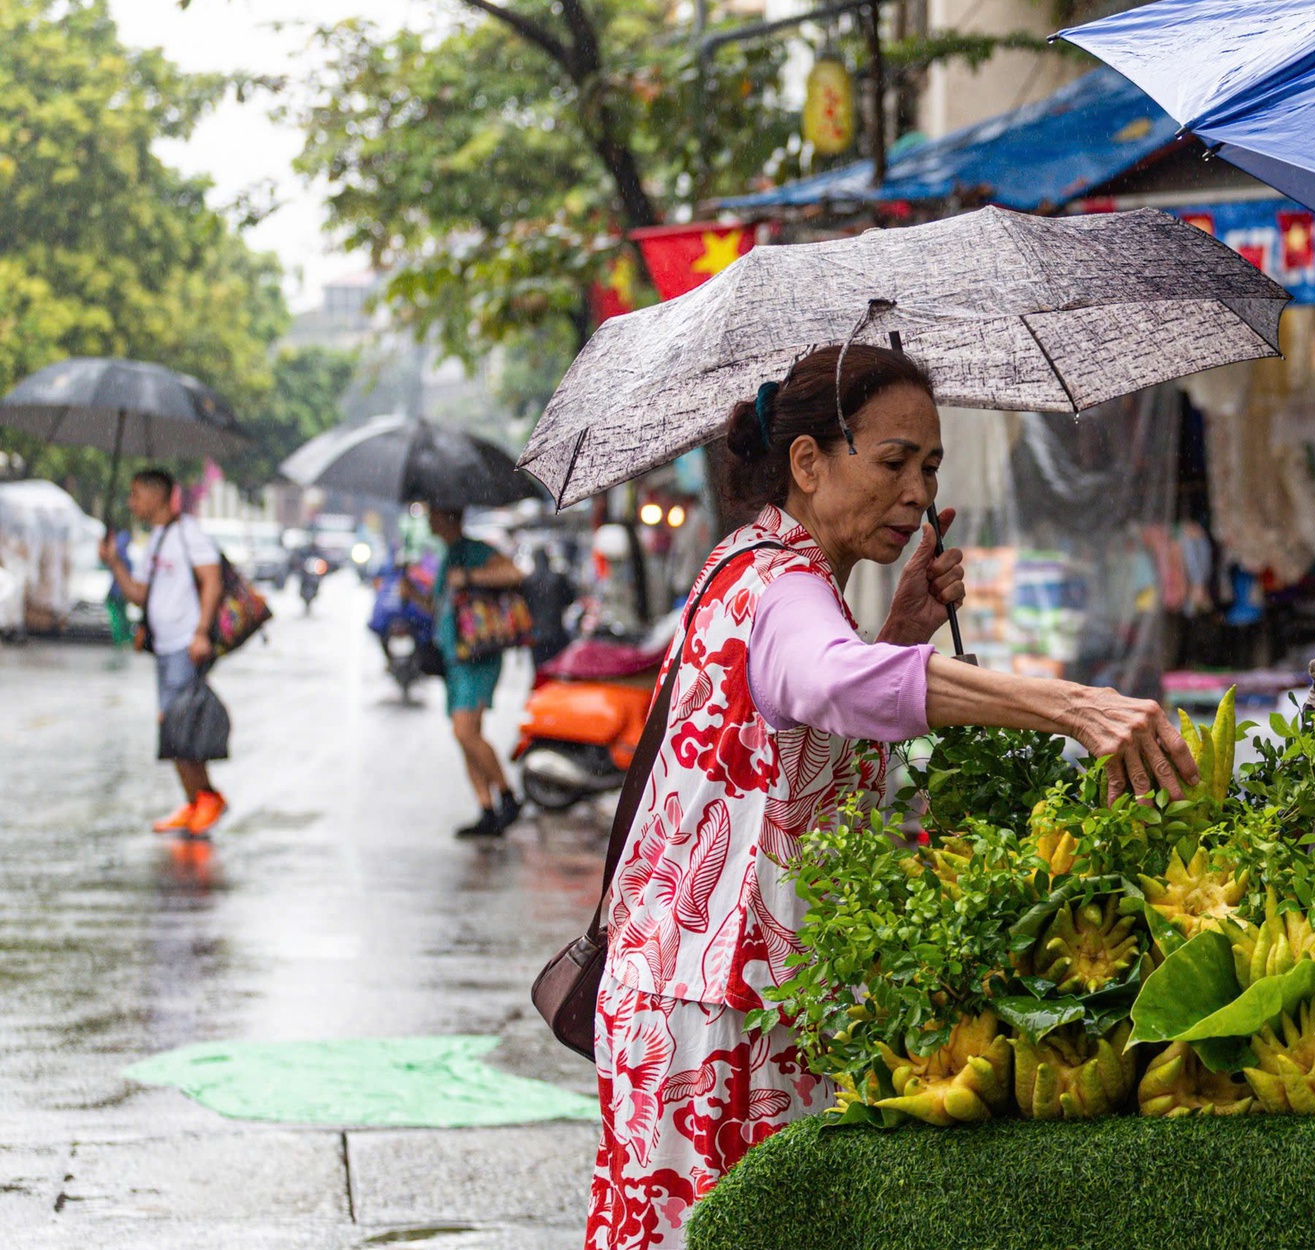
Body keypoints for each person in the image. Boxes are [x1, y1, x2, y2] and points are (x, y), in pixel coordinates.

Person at [588, 344, 1197, 1247]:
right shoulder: (784, 586)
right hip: (722, 1022)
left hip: (694, 996)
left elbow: (803, 727)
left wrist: (902, 628)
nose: (917, 493)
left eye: (931, 466)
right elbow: (832, 682)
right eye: (892, 462)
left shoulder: (755, 570)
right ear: (808, 463)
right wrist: (1072, 705)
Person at [98, 467, 229, 836]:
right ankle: (195, 802)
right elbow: (140, 594)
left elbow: (212, 581)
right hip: (165, 647)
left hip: (187, 645)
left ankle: (208, 798)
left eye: (136, 494)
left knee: (182, 726)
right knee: (171, 726)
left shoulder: (189, 534)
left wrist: (202, 632)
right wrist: (115, 562)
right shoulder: (155, 540)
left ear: (158, 495)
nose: (131, 502)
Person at [429, 505, 525, 838]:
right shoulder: (448, 555)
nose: (429, 517)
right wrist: (412, 592)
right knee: (467, 738)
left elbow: (514, 574)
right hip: (454, 658)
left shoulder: (474, 551)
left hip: (477, 657)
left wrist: (470, 577)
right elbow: (441, 606)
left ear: (448, 515)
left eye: (433, 511)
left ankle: (508, 796)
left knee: (465, 732)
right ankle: (486, 809)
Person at [520, 548, 577, 668]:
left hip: (537, 635)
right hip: (557, 632)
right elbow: (570, 599)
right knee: (560, 668)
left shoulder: (527, 582)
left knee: (541, 671)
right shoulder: (558, 578)